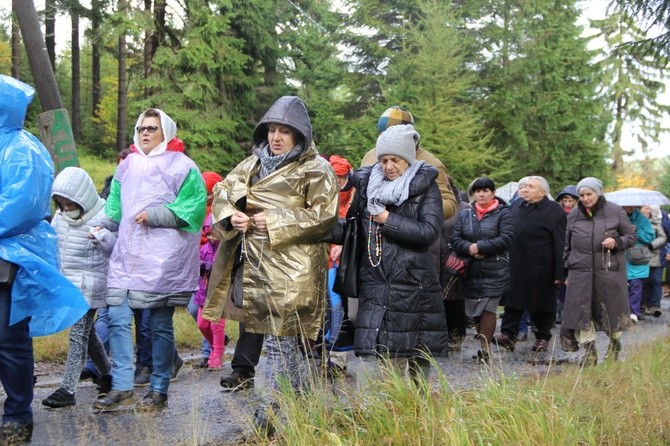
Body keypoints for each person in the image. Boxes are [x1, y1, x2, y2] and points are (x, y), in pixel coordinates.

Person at [203, 96, 339, 433]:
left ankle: (271, 416)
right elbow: (223, 191)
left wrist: (276, 220)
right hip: (254, 267)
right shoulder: (251, 164)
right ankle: (300, 411)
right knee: (282, 344)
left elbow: (325, 216)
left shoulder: (315, 168)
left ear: (299, 135)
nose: (276, 138)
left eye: (284, 132)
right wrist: (230, 216)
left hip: (293, 271)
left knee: (282, 343)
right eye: (271, 130)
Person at [92, 108, 206, 412]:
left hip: (162, 258)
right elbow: (115, 205)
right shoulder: (127, 165)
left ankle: (158, 389)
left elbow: (195, 209)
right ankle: (122, 385)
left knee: (158, 325)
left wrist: (156, 215)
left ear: (165, 131)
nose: (145, 132)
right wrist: (101, 225)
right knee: (116, 317)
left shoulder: (183, 166)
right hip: (127, 256)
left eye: (152, 128)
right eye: (141, 127)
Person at [0, 75, 88, 444]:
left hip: (9, 258)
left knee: (8, 336)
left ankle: (18, 415)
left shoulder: (23, 149)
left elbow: (19, 206)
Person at [332, 124, 447, 390]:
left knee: (416, 353)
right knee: (377, 352)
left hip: (413, 284)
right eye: (383, 160)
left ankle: (418, 411)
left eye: (395, 159)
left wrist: (388, 219)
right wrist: (316, 225)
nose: (388, 166)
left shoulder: (426, 187)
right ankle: (381, 414)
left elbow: (429, 232)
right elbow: (352, 229)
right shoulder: (369, 186)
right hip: (374, 281)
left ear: (408, 159)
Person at [42, 167, 116, 409]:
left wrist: (102, 238)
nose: (65, 207)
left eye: (69, 202)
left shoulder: (104, 214)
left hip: (90, 285)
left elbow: (115, 250)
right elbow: (54, 246)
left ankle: (68, 388)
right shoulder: (60, 217)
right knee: (88, 333)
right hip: (68, 285)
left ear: (82, 198)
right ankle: (107, 374)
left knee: (78, 335)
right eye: (60, 203)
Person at [560, 178, 637, 364]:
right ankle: (590, 353)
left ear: (598, 192)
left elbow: (632, 237)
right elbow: (567, 245)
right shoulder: (574, 214)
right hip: (580, 272)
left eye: (589, 194)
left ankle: (614, 345)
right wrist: (566, 272)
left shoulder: (615, 210)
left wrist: (616, 242)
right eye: (582, 195)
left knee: (611, 312)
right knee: (581, 313)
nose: (585, 198)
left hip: (608, 271)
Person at [493, 176, 566, 353]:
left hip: (542, 265)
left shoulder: (554, 211)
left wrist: (559, 273)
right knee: (512, 301)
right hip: (516, 263)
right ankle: (508, 335)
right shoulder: (515, 206)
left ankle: (542, 336)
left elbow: (560, 242)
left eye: (530, 187)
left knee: (542, 303)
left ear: (543, 192)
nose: (524, 189)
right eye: (522, 186)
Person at [451, 177, 513, 363]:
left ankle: (485, 350)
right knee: (475, 312)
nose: (481, 194)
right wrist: (470, 248)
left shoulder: (503, 213)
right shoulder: (465, 214)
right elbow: (455, 239)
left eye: (485, 190)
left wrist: (481, 247)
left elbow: (506, 238)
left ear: (492, 193)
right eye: (478, 191)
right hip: (470, 270)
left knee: (488, 308)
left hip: (495, 269)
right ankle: (482, 342)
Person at [360, 106, 457, 220]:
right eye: (384, 135)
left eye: (395, 135)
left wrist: (412, 208)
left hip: (412, 231)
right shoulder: (370, 157)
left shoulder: (431, 164)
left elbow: (450, 205)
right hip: (370, 230)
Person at [440, 177, 472, 352]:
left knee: (455, 299)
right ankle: (440, 336)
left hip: (456, 259)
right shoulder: (431, 205)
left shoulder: (464, 208)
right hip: (433, 258)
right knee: (436, 299)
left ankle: (456, 336)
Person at [194, 214, 226, 370]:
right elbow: (196, 264)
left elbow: (224, 266)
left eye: (214, 233)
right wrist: (200, 266)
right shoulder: (204, 249)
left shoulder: (225, 248)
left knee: (216, 325)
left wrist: (211, 267)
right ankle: (216, 347)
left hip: (219, 293)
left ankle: (217, 356)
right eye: (208, 234)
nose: (211, 237)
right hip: (203, 293)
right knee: (202, 325)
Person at [623, 205, 655, 323]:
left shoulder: (642, 219)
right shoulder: (617, 216)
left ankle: (633, 313)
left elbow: (650, 237)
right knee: (621, 287)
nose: (629, 208)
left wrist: (637, 230)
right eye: (627, 206)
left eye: (632, 206)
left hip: (637, 258)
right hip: (621, 256)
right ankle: (621, 313)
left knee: (636, 286)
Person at [554, 185, 580, 324]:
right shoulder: (557, 214)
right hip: (559, 253)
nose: (567, 203)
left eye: (571, 200)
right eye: (565, 200)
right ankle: (559, 311)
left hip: (575, 253)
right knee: (560, 282)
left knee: (572, 283)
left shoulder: (581, 215)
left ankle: (570, 312)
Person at [640, 205, 667, 317]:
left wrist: (652, 244)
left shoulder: (656, 224)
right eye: (646, 208)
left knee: (656, 281)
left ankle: (655, 305)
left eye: (649, 208)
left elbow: (663, 237)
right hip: (640, 256)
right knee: (645, 282)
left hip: (655, 255)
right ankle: (645, 305)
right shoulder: (637, 223)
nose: (648, 210)